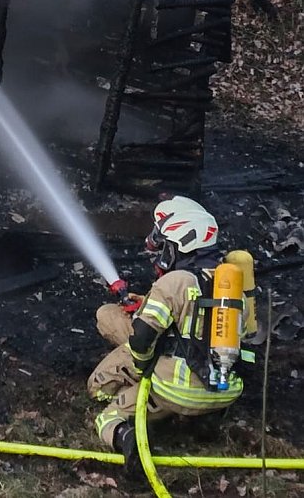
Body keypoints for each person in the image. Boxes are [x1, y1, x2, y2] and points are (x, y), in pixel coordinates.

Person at [87, 196, 256, 468]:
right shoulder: (232, 287)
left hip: (174, 390)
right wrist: (147, 302)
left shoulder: (174, 282)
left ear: (180, 243)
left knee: (103, 408)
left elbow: (142, 337)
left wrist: (141, 367)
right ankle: (202, 420)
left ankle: (130, 441)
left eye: (164, 245)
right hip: (223, 390)